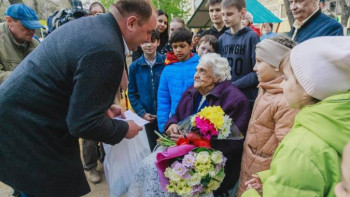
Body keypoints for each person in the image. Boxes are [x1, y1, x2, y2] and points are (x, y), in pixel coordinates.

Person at [0, 0, 156, 196]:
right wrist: (124, 128)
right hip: (30, 132)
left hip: (22, 121)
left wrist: (104, 106)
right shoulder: (107, 48)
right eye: (149, 32)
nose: (148, 39)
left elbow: (70, 82)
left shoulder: (93, 27)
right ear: (131, 23)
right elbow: (82, 123)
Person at [127, 53, 250, 196]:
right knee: (149, 166)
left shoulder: (234, 99)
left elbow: (233, 143)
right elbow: (177, 116)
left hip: (210, 162)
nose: (196, 75)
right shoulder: (192, 91)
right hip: (182, 151)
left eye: (202, 71)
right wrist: (171, 125)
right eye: (197, 70)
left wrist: (193, 141)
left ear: (216, 77)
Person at [242, 36, 350, 197]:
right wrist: (270, 178)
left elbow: (297, 168)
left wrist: (249, 194)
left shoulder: (299, 149)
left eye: (286, 78)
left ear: (307, 88)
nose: (282, 84)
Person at [237, 36, 298, 196]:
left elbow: (287, 152)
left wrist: (268, 180)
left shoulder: (286, 101)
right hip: (252, 168)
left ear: (278, 64)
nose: (255, 68)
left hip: (264, 176)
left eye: (260, 61)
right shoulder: (265, 89)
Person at [80, 1, 108, 184]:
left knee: (107, 128)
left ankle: (105, 160)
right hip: (87, 90)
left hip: (108, 88)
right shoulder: (82, 34)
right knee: (89, 132)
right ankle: (90, 166)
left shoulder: (109, 34)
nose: (97, 16)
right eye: (94, 12)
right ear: (89, 15)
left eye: (101, 13)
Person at [128, 30, 166, 151]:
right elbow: (132, 93)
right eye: (145, 42)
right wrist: (141, 112)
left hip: (165, 115)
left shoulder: (166, 63)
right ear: (140, 44)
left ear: (158, 42)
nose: (149, 45)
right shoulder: (134, 67)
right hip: (147, 117)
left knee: (167, 148)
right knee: (152, 148)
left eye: (152, 41)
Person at [157, 28, 200, 133]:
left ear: (191, 45)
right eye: (175, 47)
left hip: (197, 121)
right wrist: (165, 126)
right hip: (176, 122)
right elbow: (163, 99)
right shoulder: (167, 70)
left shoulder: (200, 64)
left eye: (182, 46)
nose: (178, 50)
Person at [219, 0, 260, 109]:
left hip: (247, 97)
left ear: (242, 13)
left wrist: (233, 85)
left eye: (229, 14)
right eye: (223, 14)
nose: (225, 18)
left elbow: (257, 72)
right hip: (227, 96)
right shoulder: (222, 39)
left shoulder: (252, 37)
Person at [0, 3, 44, 84]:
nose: (32, 31)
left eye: (34, 26)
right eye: (27, 26)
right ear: (9, 21)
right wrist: (26, 74)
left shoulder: (34, 44)